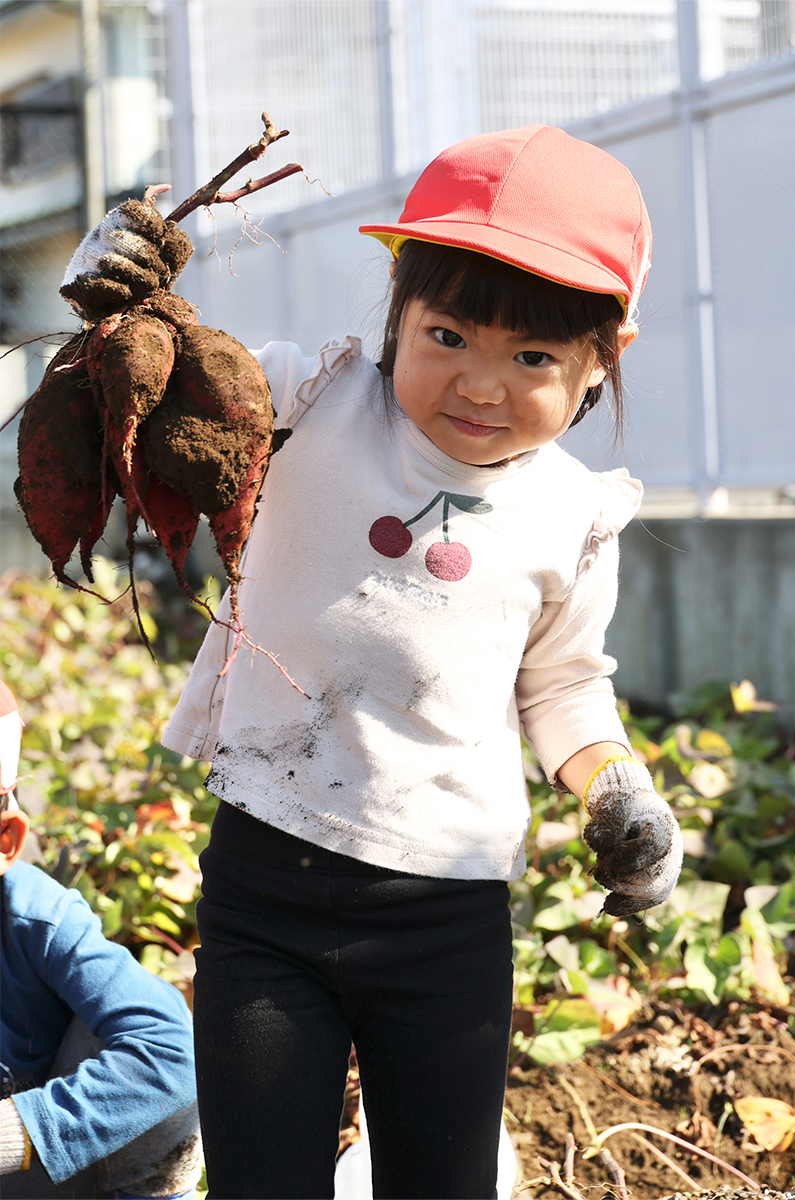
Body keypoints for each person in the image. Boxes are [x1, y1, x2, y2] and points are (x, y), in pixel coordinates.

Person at [60, 124, 684, 1200]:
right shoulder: (300, 400)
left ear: (600, 359)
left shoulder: (571, 517)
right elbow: (137, 387)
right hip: (266, 881)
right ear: (398, 302)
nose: (479, 383)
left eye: (531, 357)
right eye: (446, 334)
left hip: (445, 913)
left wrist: (614, 787)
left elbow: (562, 686)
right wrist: (106, 293)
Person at [0, 680, 202, 1200]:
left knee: (135, 1042)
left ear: (6, 842)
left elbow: (171, 1051)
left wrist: (13, 1134)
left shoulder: (39, 920)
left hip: (33, 1178)